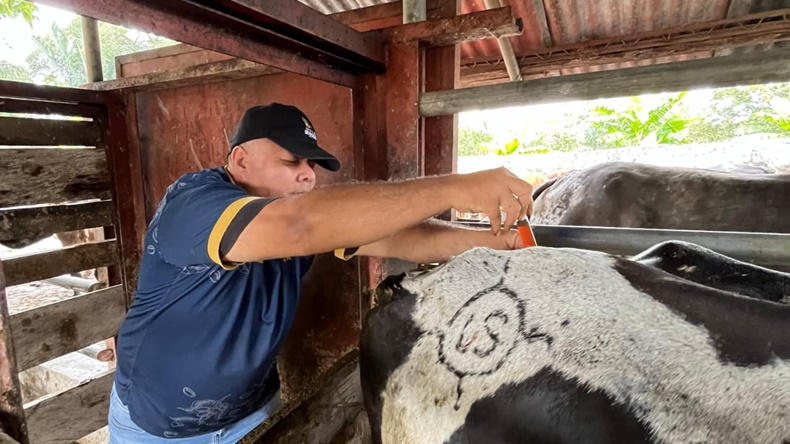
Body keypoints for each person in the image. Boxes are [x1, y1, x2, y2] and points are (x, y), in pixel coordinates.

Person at [107, 103, 533, 443]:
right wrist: (454, 187)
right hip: (154, 430)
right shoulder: (193, 202)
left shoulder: (294, 217)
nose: (308, 175)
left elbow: (402, 237)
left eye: (311, 164)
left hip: (254, 414)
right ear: (240, 159)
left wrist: (500, 243)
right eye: (292, 160)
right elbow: (297, 223)